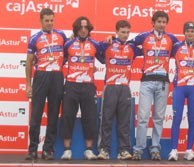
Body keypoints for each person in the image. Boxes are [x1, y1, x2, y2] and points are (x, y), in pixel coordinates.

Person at [131, 11, 178, 160]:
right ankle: (138, 149)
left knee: (158, 117)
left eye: (164, 22)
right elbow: (129, 43)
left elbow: (183, 49)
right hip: (147, 81)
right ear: (153, 22)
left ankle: (155, 148)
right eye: (159, 22)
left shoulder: (171, 38)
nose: (162, 24)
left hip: (163, 82)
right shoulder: (144, 36)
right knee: (143, 117)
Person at [25, 8, 67, 160]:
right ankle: (32, 149)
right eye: (46, 20)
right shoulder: (34, 38)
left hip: (57, 76)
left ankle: (48, 150)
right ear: (41, 20)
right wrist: (28, 85)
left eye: (51, 20)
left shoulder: (61, 35)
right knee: (36, 114)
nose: (49, 23)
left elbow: (70, 52)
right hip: (41, 76)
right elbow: (29, 62)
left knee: (53, 115)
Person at [59, 16, 103, 160]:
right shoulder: (68, 44)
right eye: (80, 27)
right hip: (71, 84)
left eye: (86, 27)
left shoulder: (95, 44)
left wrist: (111, 40)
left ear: (89, 29)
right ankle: (67, 150)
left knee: (90, 117)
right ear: (76, 28)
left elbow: (105, 58)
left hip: (88, 85)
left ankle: (89, 150)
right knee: (67, 116)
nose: (83, 30)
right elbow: (59, 59)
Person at [97, 20, 141, 160]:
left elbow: (147, 48)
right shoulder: (108, 44)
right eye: (122, 32)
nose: (125, 35)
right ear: (116, 32)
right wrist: (109, 40)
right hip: (110, 87)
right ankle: (104, 150)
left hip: (125, 88)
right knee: (106, 120)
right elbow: (95, 49)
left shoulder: (132, 47)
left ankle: (123, 151)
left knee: (124, 122)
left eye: (128, 32)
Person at [168, 21, 194, 161]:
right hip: (180, 87)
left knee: (192, 118)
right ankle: (174, 150)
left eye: (192, 31)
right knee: (176, 118)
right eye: (187, 31)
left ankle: (189, 150)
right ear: (184, 32)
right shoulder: (177, 46)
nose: (190, 33)